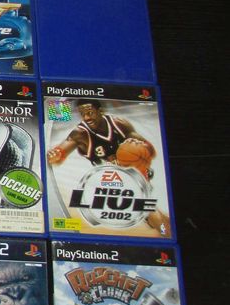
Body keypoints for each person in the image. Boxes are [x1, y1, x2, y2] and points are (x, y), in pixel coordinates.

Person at [47, 99, 169, 235]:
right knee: (150, 211)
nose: (86, 118)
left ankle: (162, 230)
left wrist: (139, 150)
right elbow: (62, 149)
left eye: (90, 113)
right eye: (82, 114)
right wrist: (56, 154)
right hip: (109, 180)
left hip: (134, 172)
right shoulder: (80, 133)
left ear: (100, 111)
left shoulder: (119, 124)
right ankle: (161, 229)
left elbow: (149, 149)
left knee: (154, 211)